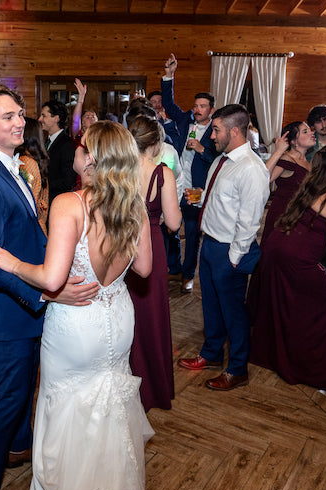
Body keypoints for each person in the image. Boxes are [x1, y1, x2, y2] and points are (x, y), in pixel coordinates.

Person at [0, 120, 156, 490]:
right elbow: (144, 268)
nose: (74, 151)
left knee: (64, 410)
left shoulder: (69, 203)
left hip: (77, 325)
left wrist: (14, 264)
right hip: (117, 315)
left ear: (90, 159)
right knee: (109, 408)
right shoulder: (133, 205)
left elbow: (53, 279)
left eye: (80, 146)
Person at [0, 82, 98, 490]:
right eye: (7, 116)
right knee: (9, 395)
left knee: (24, 385)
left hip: (22, 305)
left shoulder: (10, 166)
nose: (19, 122)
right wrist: (47, 293)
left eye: (20, 114)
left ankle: (18, 446)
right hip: (6, 312)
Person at [247, 142, 326, 391]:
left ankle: (277, 356)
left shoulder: (314, 182)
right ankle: (308, 366)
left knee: (284, 305)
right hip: (297, 259)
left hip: (276, 248)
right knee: (323, 308)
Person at [177, 104, 270, 391]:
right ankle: (212, 354)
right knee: (212, 306)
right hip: (210, 245)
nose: (211, 136)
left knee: (233, 312)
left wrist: (233, 257)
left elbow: (250, 220)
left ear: (234, 131)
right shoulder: (221, 160)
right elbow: (222, 199)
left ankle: (238, 368)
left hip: (229, 250)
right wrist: (201, 198)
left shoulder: (252, 169)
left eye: (215, 130)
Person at [127, 116, 182, 411]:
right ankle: (152, 389)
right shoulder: (162, 173)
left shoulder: (118, 170)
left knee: (125, 315)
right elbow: (174, 223)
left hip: (123, 248)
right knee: (152, 316)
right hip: (153, 246)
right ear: (157, 144)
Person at [162, 54, 220, 293]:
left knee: (193, 233)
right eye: (196, 105)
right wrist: (169, 75)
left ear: (211, 109)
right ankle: (172, 267)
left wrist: (202, 149)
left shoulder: (218, 130)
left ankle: (188, 273)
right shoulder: (186, 119)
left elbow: (216, 159)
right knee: (170, 227)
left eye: (202, 106)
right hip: (176, 182)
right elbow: (168, 103)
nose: (197, 109)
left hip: (197, 188)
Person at [260, 121, 315, 243]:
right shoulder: (287, 159)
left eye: (310, 130)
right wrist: (279, 151)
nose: (312, 133)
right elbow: (264, 178)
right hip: (282, 215)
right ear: (293, 141)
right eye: (305, 131)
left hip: (299, 214)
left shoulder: (308, 163)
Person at [39, 100, 76, 207]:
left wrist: (43, 184)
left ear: (56, 118)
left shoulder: (66, 144)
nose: (40, 119)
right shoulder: (46, 141)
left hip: (57, 202)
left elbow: (68, 180)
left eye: (44, 115)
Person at [16, 117, 50, 234]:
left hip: (30, 229)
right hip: (38, 226)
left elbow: (26, 202)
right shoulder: (33, 160)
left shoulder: (26, 162)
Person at [70, 78, 99, 144]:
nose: (92, 119)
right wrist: (81, 98)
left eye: (93, 117)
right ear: (82, 123)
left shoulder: (102, 135)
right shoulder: (78, 135)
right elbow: (76, 120)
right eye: (87, 117)